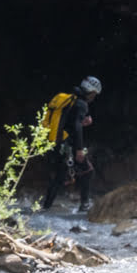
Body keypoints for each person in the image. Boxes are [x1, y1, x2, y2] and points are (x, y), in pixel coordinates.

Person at [41, 76, 102, 211]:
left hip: (55, 142)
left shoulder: (69, 99)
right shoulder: (82, 104)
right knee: (88, 171)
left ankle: (45, 207)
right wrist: (79, 149)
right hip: (67, 145)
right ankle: (84, 205)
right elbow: (76, 126)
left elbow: (70, 121)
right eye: (94, 94)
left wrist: (82, 121)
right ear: (91, 92)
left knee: (59, 176)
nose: (94, 97)